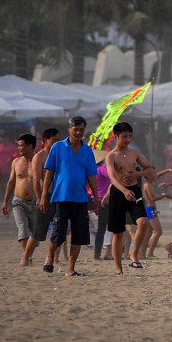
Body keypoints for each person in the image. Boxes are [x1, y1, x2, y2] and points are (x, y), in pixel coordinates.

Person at [39, 116, 101, 276]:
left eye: (81, 130)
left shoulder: (87, 151)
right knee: (59, 233)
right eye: (76, 129)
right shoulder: (58, 148)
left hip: (80, 198)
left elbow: (92, 176)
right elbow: (49, 172)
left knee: (79, 235)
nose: (79, 132)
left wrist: (95, 198)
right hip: (60, 197)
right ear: (69, 129)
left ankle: (70, 269)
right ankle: (50, 257)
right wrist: (44, 195)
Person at [103, 122, 156, 274]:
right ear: (116, 136)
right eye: (124, 136)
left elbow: (150, 169)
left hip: (134, 191)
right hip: (118, 192)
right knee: (118, 232)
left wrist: (137, 174)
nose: (127, 140)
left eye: (129, 136)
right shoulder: (111, 156)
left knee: (144, 222)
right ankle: (118, 267)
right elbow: (113, 178)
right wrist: (124, 190)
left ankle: (134, 253)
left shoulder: (134, 153)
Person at [1, 134, 40, 265]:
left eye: (21, 145)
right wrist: (5, 201)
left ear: (30, 146)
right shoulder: (16, 162)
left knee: (35, 233)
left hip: (36, 202)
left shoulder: (39, 161)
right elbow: (11, 182)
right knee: (23, 228)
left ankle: (28, 254)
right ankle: (27, 257)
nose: (18, 148)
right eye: (17, 145)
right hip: (18, 202)